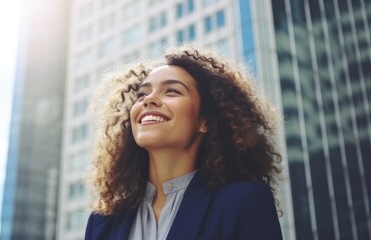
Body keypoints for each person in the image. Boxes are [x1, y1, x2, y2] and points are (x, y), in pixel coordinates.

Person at [85, 46, 283, 240]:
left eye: (171, 91)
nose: (149, 99)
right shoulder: (102, 221)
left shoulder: (245, 202)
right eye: (142, 95)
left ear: (204, 120)